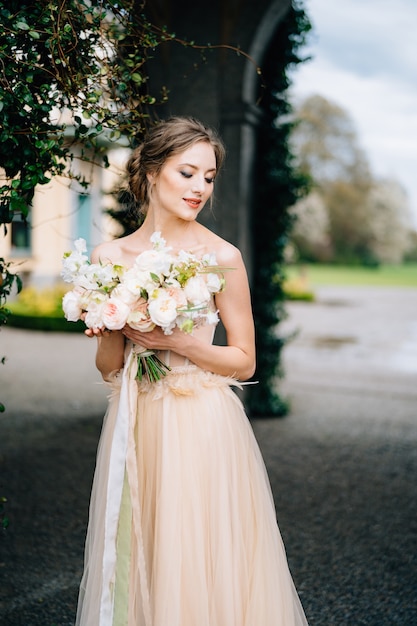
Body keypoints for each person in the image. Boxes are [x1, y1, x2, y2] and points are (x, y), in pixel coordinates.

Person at [75, 116, 308, 626]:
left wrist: (177, 341)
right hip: (135, 420)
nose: (200, 187)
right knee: (140, 550)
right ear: (153, 172)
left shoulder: (222, 256)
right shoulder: (109, 257)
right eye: (188, 173)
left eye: (209, 177)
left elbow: (244, 359)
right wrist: (111, 324)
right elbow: (109, 370)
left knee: (198, 555)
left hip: (201, 422)